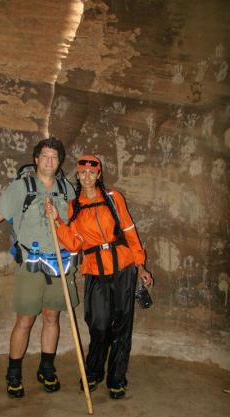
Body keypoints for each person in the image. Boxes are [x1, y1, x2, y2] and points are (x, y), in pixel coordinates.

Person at [0, 137, 78, 398]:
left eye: (55, 157)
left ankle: (46, 368)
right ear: (36, 159)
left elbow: (75, 227)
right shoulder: (21, 188)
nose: (50, 161)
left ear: (60, 161)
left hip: (62, 264)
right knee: (25, 320)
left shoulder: (68, 189)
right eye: (45, 156)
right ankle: (14, 372)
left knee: (52, 317)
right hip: (31, 264)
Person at [46, 154, 153, 400]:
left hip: (124, 267)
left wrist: (141, 265)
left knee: (122, 325)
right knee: (99, 324)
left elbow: (129, 231)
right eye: (82, 172)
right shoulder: (75, 206)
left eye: (91, 172)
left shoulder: (114, 199)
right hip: (95, 270)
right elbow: (73, 244)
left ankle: (117, 378)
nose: (87, 177)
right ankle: (94, 371)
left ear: (99, 174)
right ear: (77, 175)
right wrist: (57, 221)